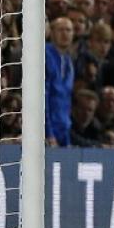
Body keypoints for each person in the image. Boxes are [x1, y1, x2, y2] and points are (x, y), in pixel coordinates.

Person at [45, 17, 75, 146]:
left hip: (64, 129)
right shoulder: (44, 55)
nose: (65, 34)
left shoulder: (69, 61)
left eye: (68, 30)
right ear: (51, 33)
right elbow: (43, 97)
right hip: (47, 130)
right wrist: (48, 132)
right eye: (61, 30)